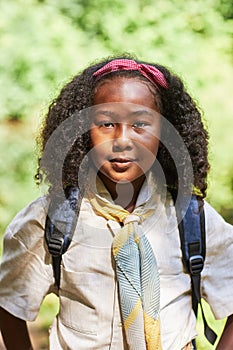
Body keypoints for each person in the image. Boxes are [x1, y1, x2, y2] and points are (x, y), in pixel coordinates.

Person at [0, 54, 233, 350]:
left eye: (141, 124)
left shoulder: (192, 218)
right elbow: (9, 305)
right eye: (107, 123)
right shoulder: (52, 218)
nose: (123, 139)